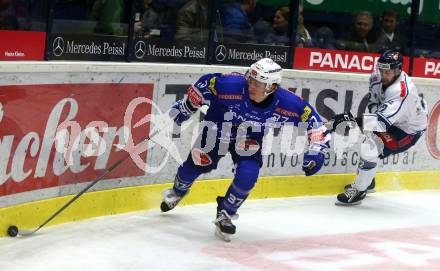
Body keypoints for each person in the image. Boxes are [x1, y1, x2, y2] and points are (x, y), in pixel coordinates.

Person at [160, 58, 330, 241]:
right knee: (193, 168)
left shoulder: (288, 103)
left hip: (249, 138)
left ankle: (226, 212)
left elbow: (316, 124)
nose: (251, 85)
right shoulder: (231, 85)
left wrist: (317, 150)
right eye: (250, 79)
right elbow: (206, 83)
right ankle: (179, 190)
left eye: (258, 83)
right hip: (217, 130)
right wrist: (188, 105)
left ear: (272, 87)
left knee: (248, 176)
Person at [330, 50, 428, 206]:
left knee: (370, 147)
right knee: (371, 140)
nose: (383, 75)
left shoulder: (402, 91)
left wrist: (350, 121)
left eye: (387, 71)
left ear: (398, 70)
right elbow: (375, 106)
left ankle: (359, 190)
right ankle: (367, 182)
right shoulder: (376, 77)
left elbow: (380, 122)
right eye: (381, 69)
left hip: (409, 130)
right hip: (396, 121)